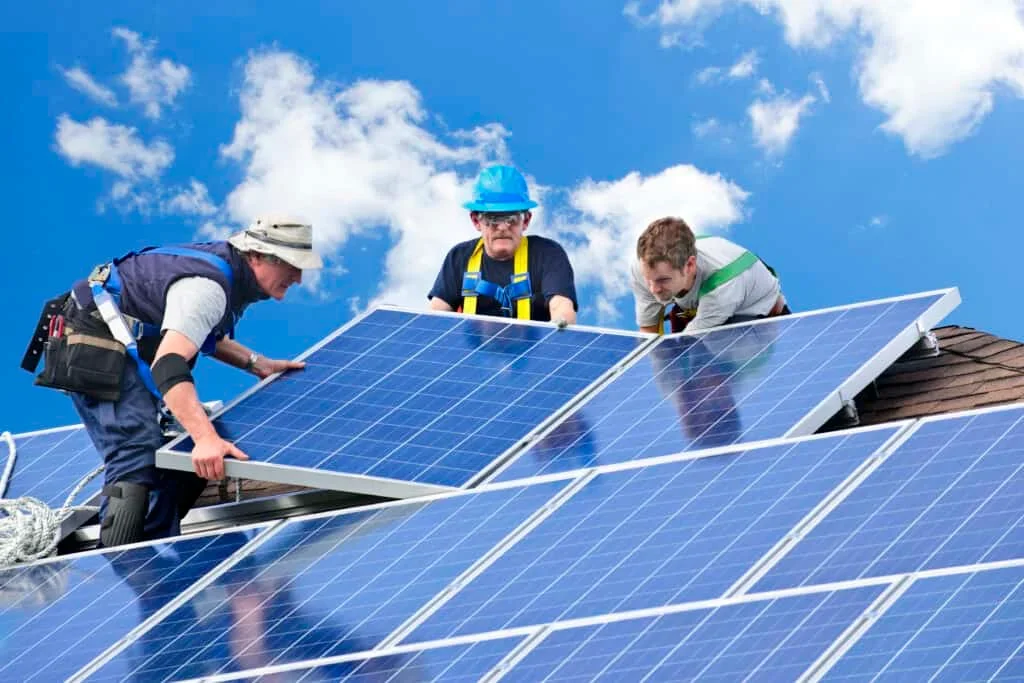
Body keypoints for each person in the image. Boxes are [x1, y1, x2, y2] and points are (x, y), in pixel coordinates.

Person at [26, 216, 322, 547]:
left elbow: (196, 331)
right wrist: (205, 438)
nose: (298, 277)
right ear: (256, 255)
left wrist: (256, 363)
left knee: (177, 457)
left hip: (115, 337)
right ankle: (122, 563)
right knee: (136, 450)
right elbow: (168, 363)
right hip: (93, 341)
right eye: (291, 266)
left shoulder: (227, 277)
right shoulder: (208, 287)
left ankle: (157, 560)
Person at [428, 165, 578, 326]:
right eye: (493, 218)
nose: (503, 227)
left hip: (534, 350)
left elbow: (561, 306)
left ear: (526, 220)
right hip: (473, 349)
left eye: (511, 218)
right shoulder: (459, 257)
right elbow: (437, 315)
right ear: (476, 221)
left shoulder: (547, 254)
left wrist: (561, 331)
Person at [631, 216, 790, 334]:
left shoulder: (721, 287)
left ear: (690, 265)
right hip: (704, 301)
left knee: (712, 360)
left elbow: (687, 345)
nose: (653, 289)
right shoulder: (643, 267)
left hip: (756, 313)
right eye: (648, 279)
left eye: (663, 280)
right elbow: (648, 332)